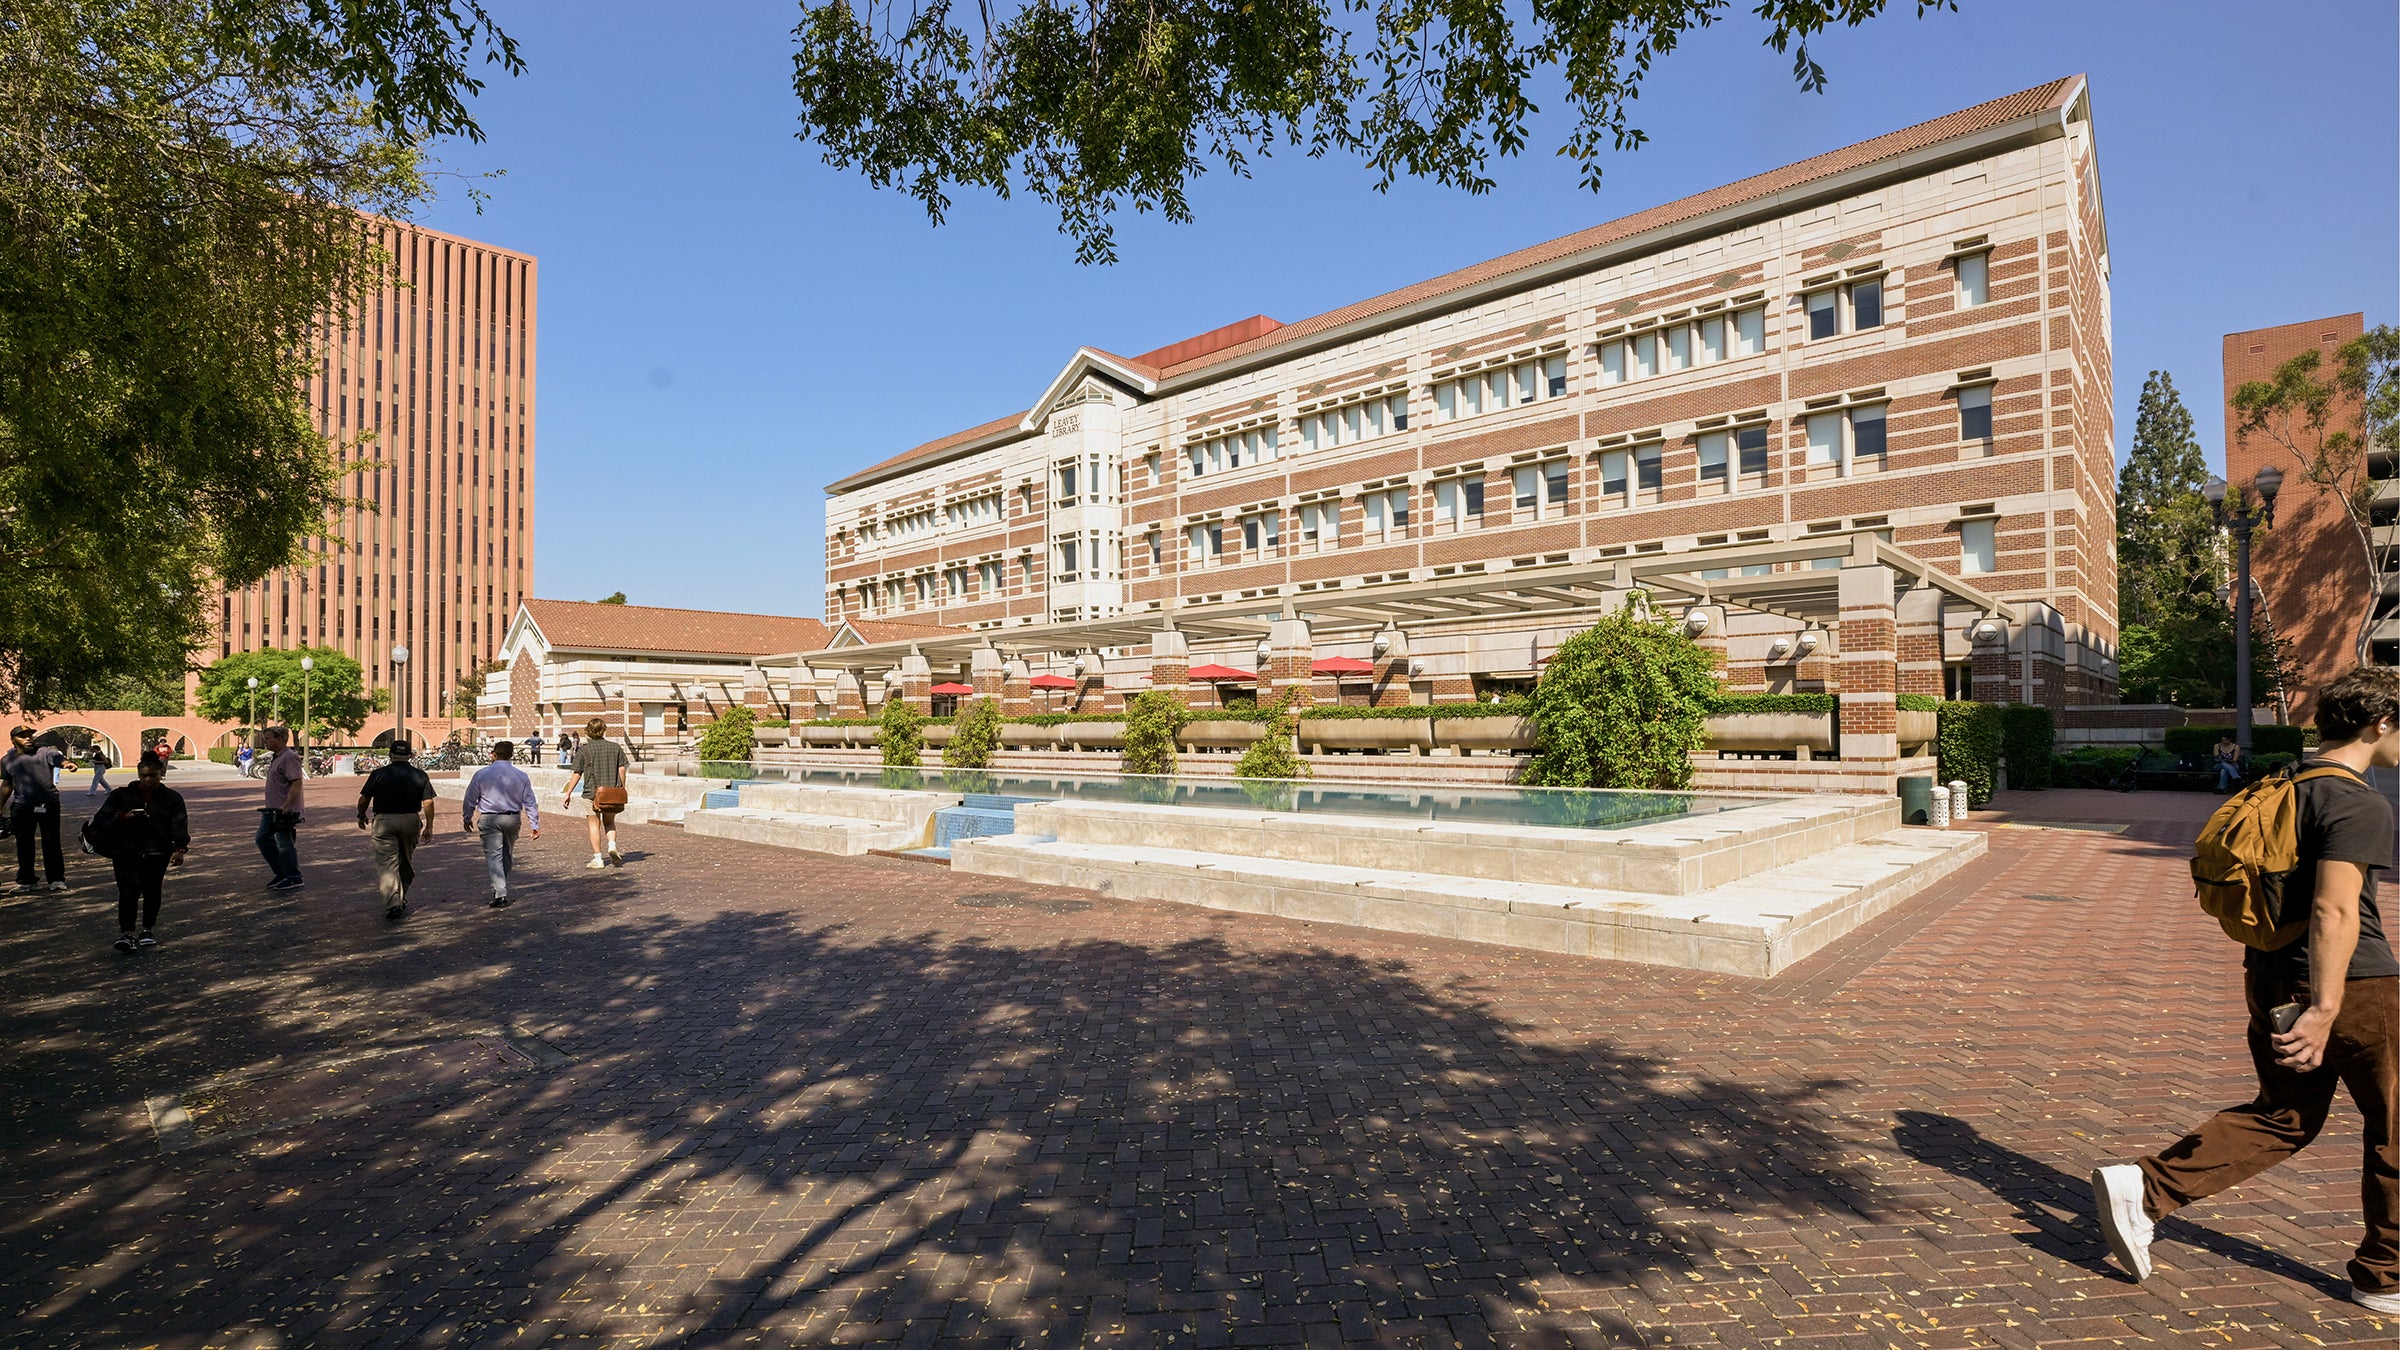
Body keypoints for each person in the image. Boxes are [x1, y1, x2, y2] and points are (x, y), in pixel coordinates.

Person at [2091, 666, 2400, 1313]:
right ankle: (2386, 1275)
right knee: (2395, 1124)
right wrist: (2324, 1007)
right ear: (2380, 723)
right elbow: (2334, 912)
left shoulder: (2283, 785)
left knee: (2284, 1116)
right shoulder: (2358, 802)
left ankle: (2143, 1189)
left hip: (2266, 974)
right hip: (2354, 987)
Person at [91, 753, 188, 951]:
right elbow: (101, 820)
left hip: (157, 852)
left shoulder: (172, 798)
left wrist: (179, 848)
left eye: (152, 775)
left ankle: (147, 929)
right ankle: (126, 933)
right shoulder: (121, 795)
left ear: (161, 774)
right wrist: (123, 817)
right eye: (143, 776)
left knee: (152, 891)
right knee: (127, 892)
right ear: (138, 775)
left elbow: (179, 824)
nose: (148, 780)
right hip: (126, 851)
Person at [357, 740, 439, 922]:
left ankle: (394, 903)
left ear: (390, 755)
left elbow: (364, 798)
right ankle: (401, 895)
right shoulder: (420, 775)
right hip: (410, 820)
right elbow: (428, 802)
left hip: (384, 820)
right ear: (410, 755)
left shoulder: (379, 774)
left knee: (387, 863)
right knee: (405, 861)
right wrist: (429, 826)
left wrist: (361, 814)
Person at [461, 740, 541, 908]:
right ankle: (501, 887)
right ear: (511, 755)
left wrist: (467, 817)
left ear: (494, 754)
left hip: (490, 818)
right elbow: (530, 801)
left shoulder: (482, 774)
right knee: (506, 854)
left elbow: (470, 797)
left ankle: (500, 892)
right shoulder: (521, 776)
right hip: (512, 818)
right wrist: (534, 824)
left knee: (493, 855)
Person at [0, 727, 69, 893]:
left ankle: (56, 880)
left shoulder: (44, 752)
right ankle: (27, 881)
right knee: (24, 844)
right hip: (22, 805)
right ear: (13, 739)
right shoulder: (7, 759)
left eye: (29, 735)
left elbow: (58, 758)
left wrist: (67, 763)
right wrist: (0, 806)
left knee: (51, 842)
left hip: (48, 804)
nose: (28, 738)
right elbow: (7, 784)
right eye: (23, 736)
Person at [560, 717, 627, 869]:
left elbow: (577, 773)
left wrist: (568, 793)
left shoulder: (584, 750)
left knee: (593, 825)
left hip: (591, 793)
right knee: (609, 822)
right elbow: (622, 769)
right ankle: (611, 845)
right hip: (611, 792)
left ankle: (598, 859)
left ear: (588, 731)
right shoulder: (615, 747)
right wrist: (621, 787)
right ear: (604, 730)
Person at [254, 726, 305, 891]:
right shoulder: (277, 757)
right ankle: (283, 872)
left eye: (268, 738)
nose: (265, 741)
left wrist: (286, 805)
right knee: (265, 839)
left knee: (284, 843)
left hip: (283, 810)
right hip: (274, 809)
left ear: (281, 739)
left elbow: (297, 783)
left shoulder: (289, 758)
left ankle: (292, 876)